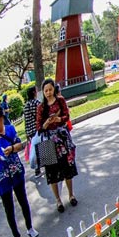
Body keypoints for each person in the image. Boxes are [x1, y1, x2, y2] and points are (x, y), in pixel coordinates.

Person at [0, 106, 38, 237]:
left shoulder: (10, 130)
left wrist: (12, 149)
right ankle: (16, 236)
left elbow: (20, 144)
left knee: (23, 201)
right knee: (9, 208)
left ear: (2, 119)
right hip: (2, 179)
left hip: (16, 173)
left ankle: (30, 227)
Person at [36, 78, 78, 213]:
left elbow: (67, 115)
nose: (48, 93)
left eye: (50, 89)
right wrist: (46, 123)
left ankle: (71, 194)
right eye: (45, 90)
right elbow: (39, 128)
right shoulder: (41, 107)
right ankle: (58, 200)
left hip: (62, 138)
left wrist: (59, 119)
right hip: (48, 141)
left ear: (54, 89)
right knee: (52, 172)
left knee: (67, 167)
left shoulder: (60, 101)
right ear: (43, 92)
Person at [23, 86, 41, 176]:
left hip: (30, 131)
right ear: (34, 93)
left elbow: (25, 120)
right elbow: (39, 116)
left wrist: (26, 133)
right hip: (37, 129)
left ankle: (37, 168)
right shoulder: (36, 103)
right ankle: (39, 166)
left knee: (34, 148)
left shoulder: (26, 105)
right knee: (39, 147)